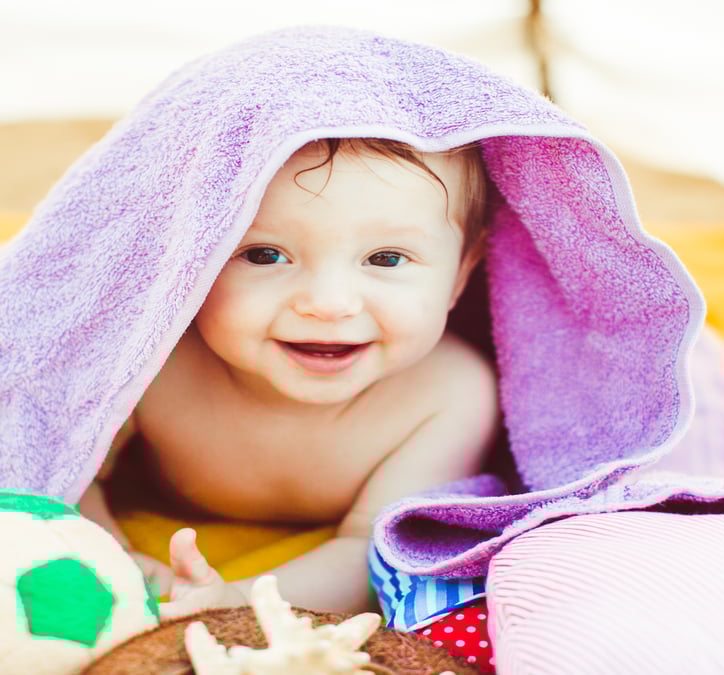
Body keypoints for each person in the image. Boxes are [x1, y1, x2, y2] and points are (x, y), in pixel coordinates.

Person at [78, 137, 500, 618]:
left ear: (462, 273)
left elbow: (379, 551)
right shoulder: (150, 363)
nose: (328, 302)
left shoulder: (448, 393)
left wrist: (237, 602)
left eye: (385, 258)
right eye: (265, 255)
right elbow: (59, 468)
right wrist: (112, 558)